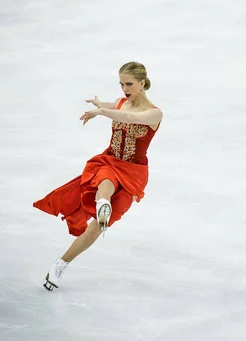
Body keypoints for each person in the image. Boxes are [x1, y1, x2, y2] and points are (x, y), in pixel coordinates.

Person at [33, 62, 163, 290]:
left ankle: (60, 264)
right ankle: (103, 203)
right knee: (105, 178)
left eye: (129, 84)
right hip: (110, 160)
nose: (124, 88)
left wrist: (102, 111)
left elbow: (130, 118)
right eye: (121, 83)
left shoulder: (154, 113)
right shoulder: (121, 102)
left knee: (97, 227)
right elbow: (115, 105)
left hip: (133, 172)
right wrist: (100, 104)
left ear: (142, 83)